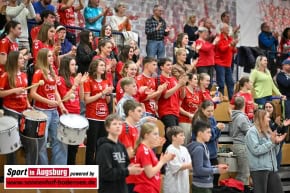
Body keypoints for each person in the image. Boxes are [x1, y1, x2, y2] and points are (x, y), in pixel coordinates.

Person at [30, 48, 68, 165]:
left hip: (54, 111)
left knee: (60, 141)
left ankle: (58, 169)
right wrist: (48, 101)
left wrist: (61, 106)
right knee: (41, 143)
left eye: (52, 56)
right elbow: (32, 93)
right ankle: (44, 170)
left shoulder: (53, 72)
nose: (52, 58)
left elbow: (55, 91)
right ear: (43, 58)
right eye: (49, 56)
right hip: (41, 112)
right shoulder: (38, 73)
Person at [96, 113, 143, 193]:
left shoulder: (121, 146)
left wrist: (132, 167)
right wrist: (128, 171)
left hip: (122, 188)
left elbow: (125, 166)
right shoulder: (104, 148)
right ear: (107, 128)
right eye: (114, 124)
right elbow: (106, 173)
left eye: (120, 124)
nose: (118, 126)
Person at [0, 51, 30, 165]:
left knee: (28, 142)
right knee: (11, 144)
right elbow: (0, 93)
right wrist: (14, 90)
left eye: (23, 58)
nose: (24, 60)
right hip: (11, 110)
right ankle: (12, 172)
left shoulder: (24, 74)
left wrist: (28, 104)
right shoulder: (5, 75)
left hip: (23, 110)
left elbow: (25, 93)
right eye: (20, 58)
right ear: (14, 61)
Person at [245, 109, 285, 193]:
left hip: (272, 168)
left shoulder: (267, 132)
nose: (269, 119)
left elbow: (275, 153)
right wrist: (271, 142)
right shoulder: (252, 132)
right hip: (259, 169)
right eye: (267, 117)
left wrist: (276, 143)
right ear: (261, 118)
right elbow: (256, 150)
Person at [57, 56, 88, 165]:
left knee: (74, 147)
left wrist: (81, 83)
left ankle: (71, 170)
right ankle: (66, 171)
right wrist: (75, 84)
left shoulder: (73, 79)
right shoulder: (60, 79)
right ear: (66, 66)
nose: (75, 67)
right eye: (72, 64)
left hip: (76, 115)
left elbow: (82, 98)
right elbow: (64, 97)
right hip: (66, 116)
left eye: (75, 64)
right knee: (66, 147)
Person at [84, 59, 114, 165]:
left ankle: (99, 168)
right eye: (101, 65)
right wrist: (102, 92)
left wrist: (107, 94)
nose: (103, 67)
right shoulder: (88, 80)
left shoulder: (106, 81)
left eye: (104, 65)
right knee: (91, 145)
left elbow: (108, 101)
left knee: (101, 145)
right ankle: (89, 168)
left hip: (104, 117)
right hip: (92, 117)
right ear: (95, 67)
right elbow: (87, 100)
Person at [187, 120, 228, 193]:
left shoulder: (204, 146)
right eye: (208, 132)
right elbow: (199, 170)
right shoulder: (198, 149)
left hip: (206, 185)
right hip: (201, 187)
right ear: (200, 134)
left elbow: (205, 166)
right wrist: (217, 170)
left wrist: (216, 167)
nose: (211, 135)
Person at [133, 122, 175, 193]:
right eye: (155, 134)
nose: (158, 136)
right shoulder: (144, 150)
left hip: (150, 188)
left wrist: (163, 160)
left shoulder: (148, 149)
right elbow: (150, 173)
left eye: (158, 134)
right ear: (146, 135)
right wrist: (162, 162)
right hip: (145, 189)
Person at [157, 58, 188, 152]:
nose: (170, 66)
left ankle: (169, 159)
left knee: (172, 138)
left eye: (171, 64)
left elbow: (182, 96)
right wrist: (178, 85)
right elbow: (165, 95)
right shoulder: (160, 79)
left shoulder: (174, 79)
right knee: (171, 138)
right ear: (161, 67)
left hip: (175, 112)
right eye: (167, 65)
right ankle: (165, 161)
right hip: (166, 112)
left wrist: (182, 85)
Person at [192, 100, 225, 186]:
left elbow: (215, 136)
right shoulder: (199, 120)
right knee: (208, 177)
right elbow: (208, 137)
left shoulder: (212, 119)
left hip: (212, 152)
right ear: (202, 110)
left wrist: (219, 129)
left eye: (212, 111)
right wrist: (216, 129)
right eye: (208, 111)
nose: (211, 113)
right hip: (204, 152)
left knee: (216, 175)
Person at [118, 100, 143, 193]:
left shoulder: (135, 128)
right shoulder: (125, 128)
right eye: (139, 111)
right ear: (130, 112)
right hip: (128, 175)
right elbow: (129, 154)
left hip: (134, 174)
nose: (141, 114)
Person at [163, 126, 192, 193]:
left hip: (184, 184)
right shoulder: (170, 149)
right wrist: (191, 164)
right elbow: (176, 167)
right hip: (173, 185)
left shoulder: (184, 149)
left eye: (184, 135)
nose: (184, 137)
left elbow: (190, 165)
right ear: (173, 137)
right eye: (181, 135)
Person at [231, 97, 252, 187]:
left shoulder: (236, 116)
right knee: (244, 174)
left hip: (239, 145)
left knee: (243, 174)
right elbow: (248, 132)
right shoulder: (241, 117)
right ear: (244, 104)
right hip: (241, 146)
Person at [263, 101, 290, 169]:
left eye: (270, 107)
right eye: (266, 107)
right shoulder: (263, 120)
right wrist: (279, 125)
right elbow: (273, 132)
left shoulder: (274, 119)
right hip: (270, 148)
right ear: (264, 108)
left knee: (276, 169)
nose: (268, 108)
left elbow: (282, 132)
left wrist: (285, 126)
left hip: (278, 147)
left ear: (273, 108)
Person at [214, 23, 238, 100]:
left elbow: (234, 51)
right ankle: (220, 99)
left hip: (228, 64)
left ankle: (231, 99)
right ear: (221, 30)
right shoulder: (218, 38)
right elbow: (222, 49)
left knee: (230, 82)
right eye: (226, 28)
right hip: (220, 63)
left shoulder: (229, 38)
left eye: (228, 28)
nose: (228, 29)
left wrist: (233, 45)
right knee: (221, 83)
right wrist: (230, 45)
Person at [179, 73, 200, 144]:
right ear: (189, 81)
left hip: (193, 121)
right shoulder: (184, 90)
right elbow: (178, 107)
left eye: (197, 79)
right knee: (184, 142)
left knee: (192, 143)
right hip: (184, 120)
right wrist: (188, 114)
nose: (197, 81)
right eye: (195, 79)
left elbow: (197, 106)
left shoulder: (196, 92)